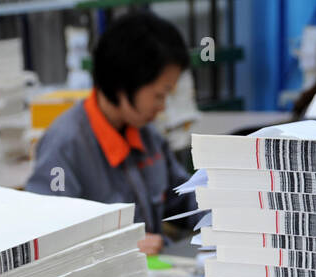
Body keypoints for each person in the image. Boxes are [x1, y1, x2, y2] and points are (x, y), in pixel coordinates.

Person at [25, 12, 194, 255]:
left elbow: (183, 200)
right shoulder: (64, 147)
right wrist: (116, 248)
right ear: (123, 83)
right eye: (159, 94)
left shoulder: (147, 136)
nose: (163, 106)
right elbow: (45, 242)